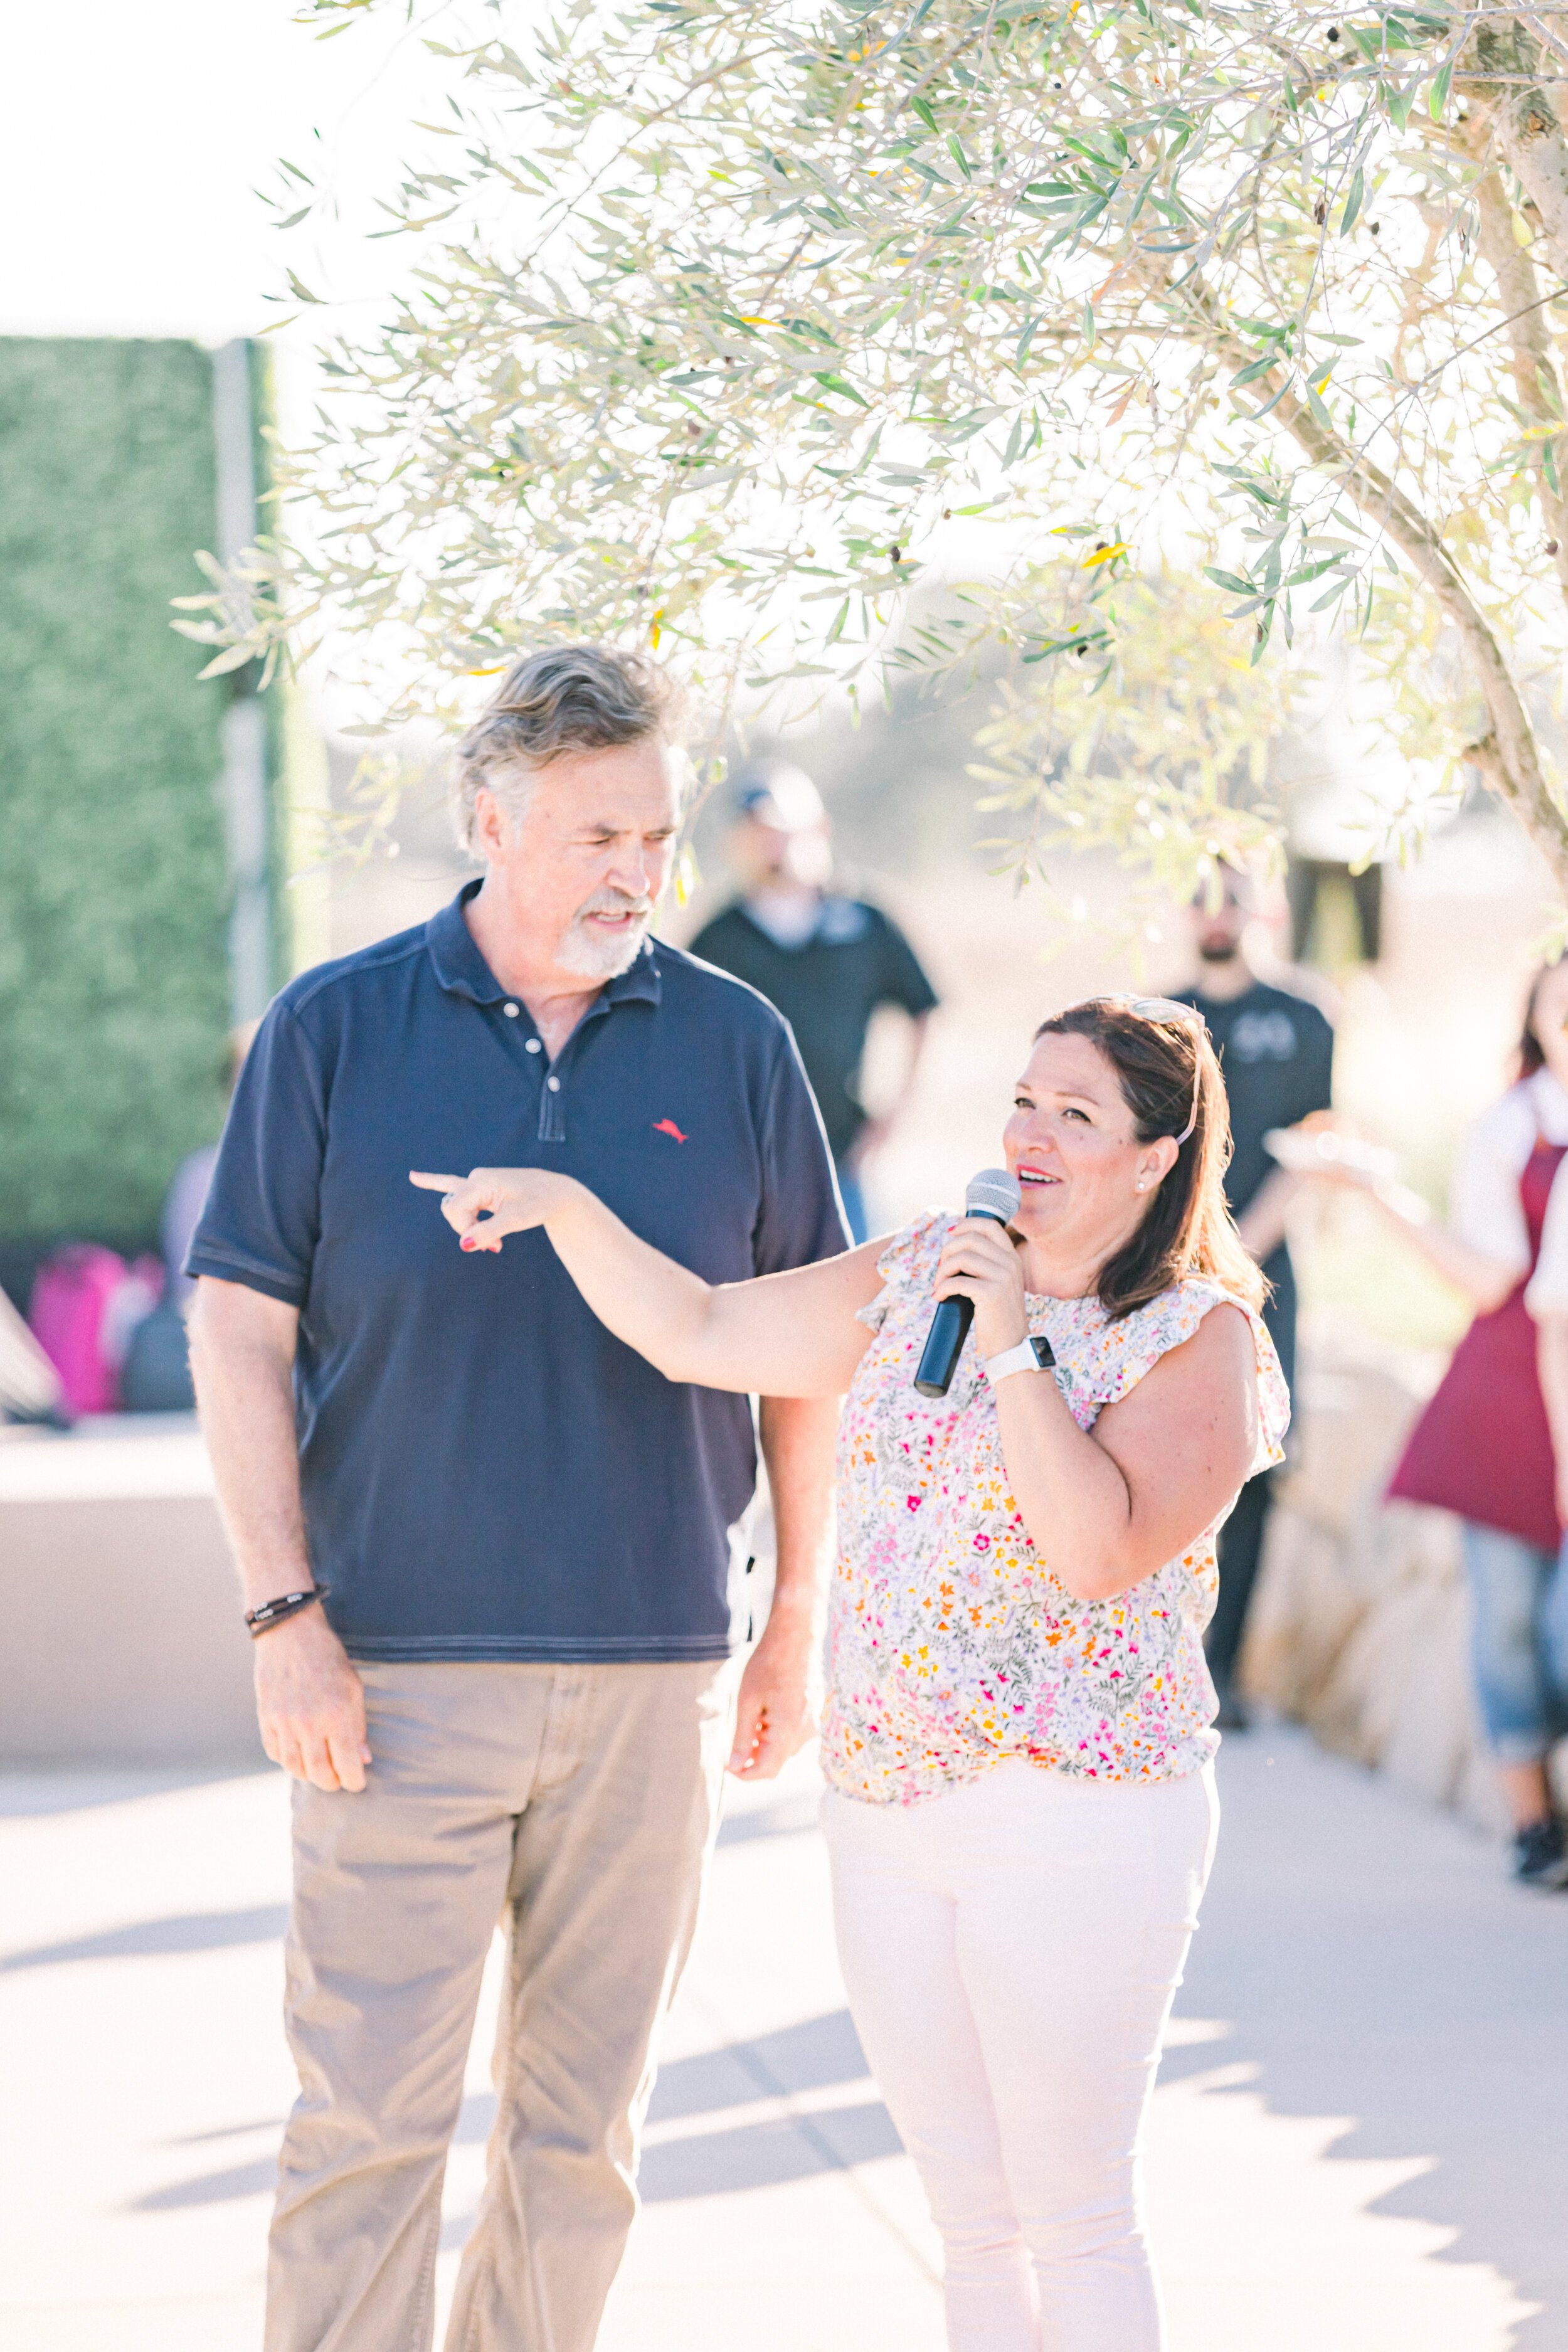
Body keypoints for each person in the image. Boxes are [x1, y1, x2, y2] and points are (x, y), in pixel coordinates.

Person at [413, 994, 1288, 2350]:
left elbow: (1099, 1549)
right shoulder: (925, 1266)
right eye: (1023, 1101)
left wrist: (1009, 1347)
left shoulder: (1197, 1337)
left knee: (1072, 2211)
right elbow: (700, 1330)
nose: (1031, 1137)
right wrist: (566, 1207)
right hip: (884, 1806)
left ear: (1154, 1156)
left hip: (1076, 1814)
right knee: (968, 2215)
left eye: (1076, 1116)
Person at [184, 645, 846, 2352]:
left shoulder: (738, 1036)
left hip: (651, 1675)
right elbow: (236, 1324)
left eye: (656, 832)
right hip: (390, 1670)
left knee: (584, 2145)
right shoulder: (334, 1029)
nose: (635, 867)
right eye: (596, 833)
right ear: (489, 819)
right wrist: (283, 1615)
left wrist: (792, 1621)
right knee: (362, 2131)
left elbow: (805, 1345)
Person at [1321, 958, 1568, 1887]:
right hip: (1508, 1400)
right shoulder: (1509, 1128)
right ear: (1535, 1019)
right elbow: (1489, 1275)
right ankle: (1532, 1826)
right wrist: (1383, 1198)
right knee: (1507, 1623)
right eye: (1559, 1004)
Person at [1175, 864, 1334, 1727]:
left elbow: (1313, 1147)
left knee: (1257, 1466)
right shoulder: (1157, 1018)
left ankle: (1221, 1672)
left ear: (1262, 907)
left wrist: (1233, 1258)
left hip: (1261, 1276)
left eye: (1229, 897)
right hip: (1167, 1273)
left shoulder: (1307, 1017)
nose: (1214, 915)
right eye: (1198, 898)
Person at [688, 761, 938, 1241]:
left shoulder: (864, 922)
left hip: (840, 1157)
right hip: (745, 1165)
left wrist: (894, 1115)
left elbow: (923, 1008)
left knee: (860, 1296)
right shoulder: (720, 936)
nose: (772, 847)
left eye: (781, 831)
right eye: (757, 834)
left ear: (818, 828)